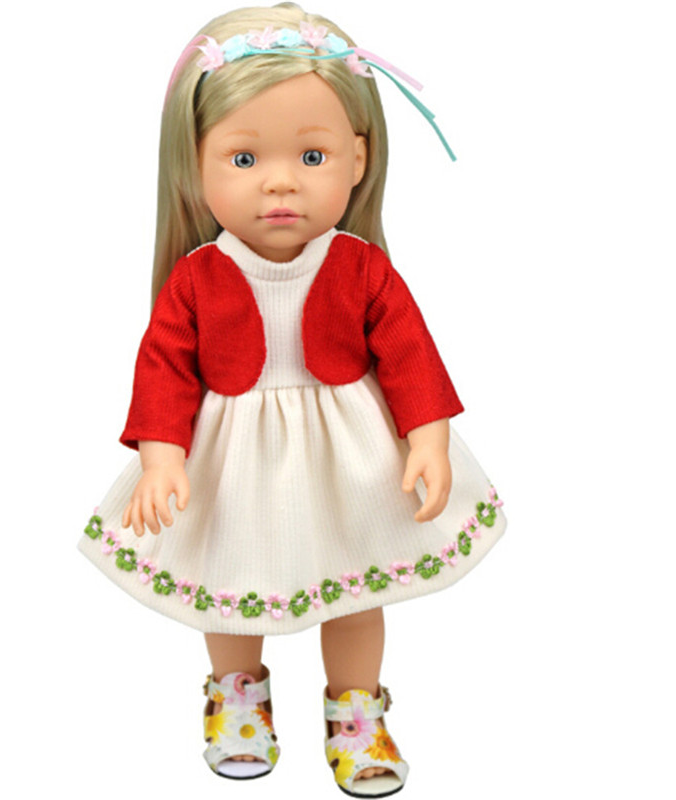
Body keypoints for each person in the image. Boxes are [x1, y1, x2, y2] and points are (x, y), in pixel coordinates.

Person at [78, 3, 506, 795]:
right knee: (232, 590)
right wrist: (162, 457)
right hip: (234, 463)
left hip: (349, 460)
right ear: (194, 163)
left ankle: (357, 713)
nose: (280, 181)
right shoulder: (198, 278)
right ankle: (237, 701)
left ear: (357, 158)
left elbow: (409, 355)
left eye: (312, 155)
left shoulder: (361, 267)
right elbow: (165, 369)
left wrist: (428, 436)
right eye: (244, 159)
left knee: (358, 588)